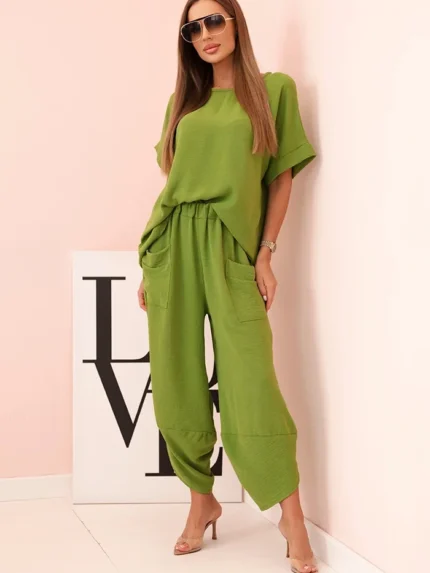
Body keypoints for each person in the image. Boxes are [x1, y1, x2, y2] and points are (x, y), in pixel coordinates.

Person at [137, 1, 317, 571]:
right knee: (175, 378)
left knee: (252, 381)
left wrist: (265, 253)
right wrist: (151, 264)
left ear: (236, 23)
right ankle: (201, 502)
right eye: (193, 28)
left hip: (231, 246)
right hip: (173, 246)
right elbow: (174, 183)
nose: (205, 34)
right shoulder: (182, 104)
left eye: (215, 20)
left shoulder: (273, 91)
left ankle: (292, 518)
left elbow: (280, 178)